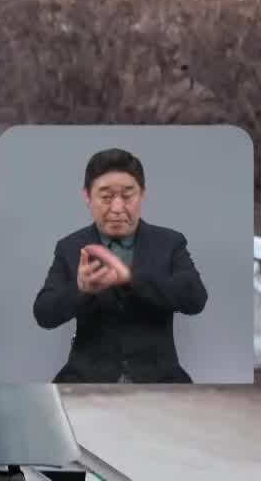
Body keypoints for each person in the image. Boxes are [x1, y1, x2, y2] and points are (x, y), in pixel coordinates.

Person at [32, 147, 209, 383]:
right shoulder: (70, 247)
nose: (117, 208)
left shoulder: (170, 243)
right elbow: (44, 314)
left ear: (142, 194)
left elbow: (195, 299)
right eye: (105, 197)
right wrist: (81, 291)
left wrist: (130, 279)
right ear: (87, 196)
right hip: (87, 378)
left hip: (159, 377)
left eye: (127, 196)